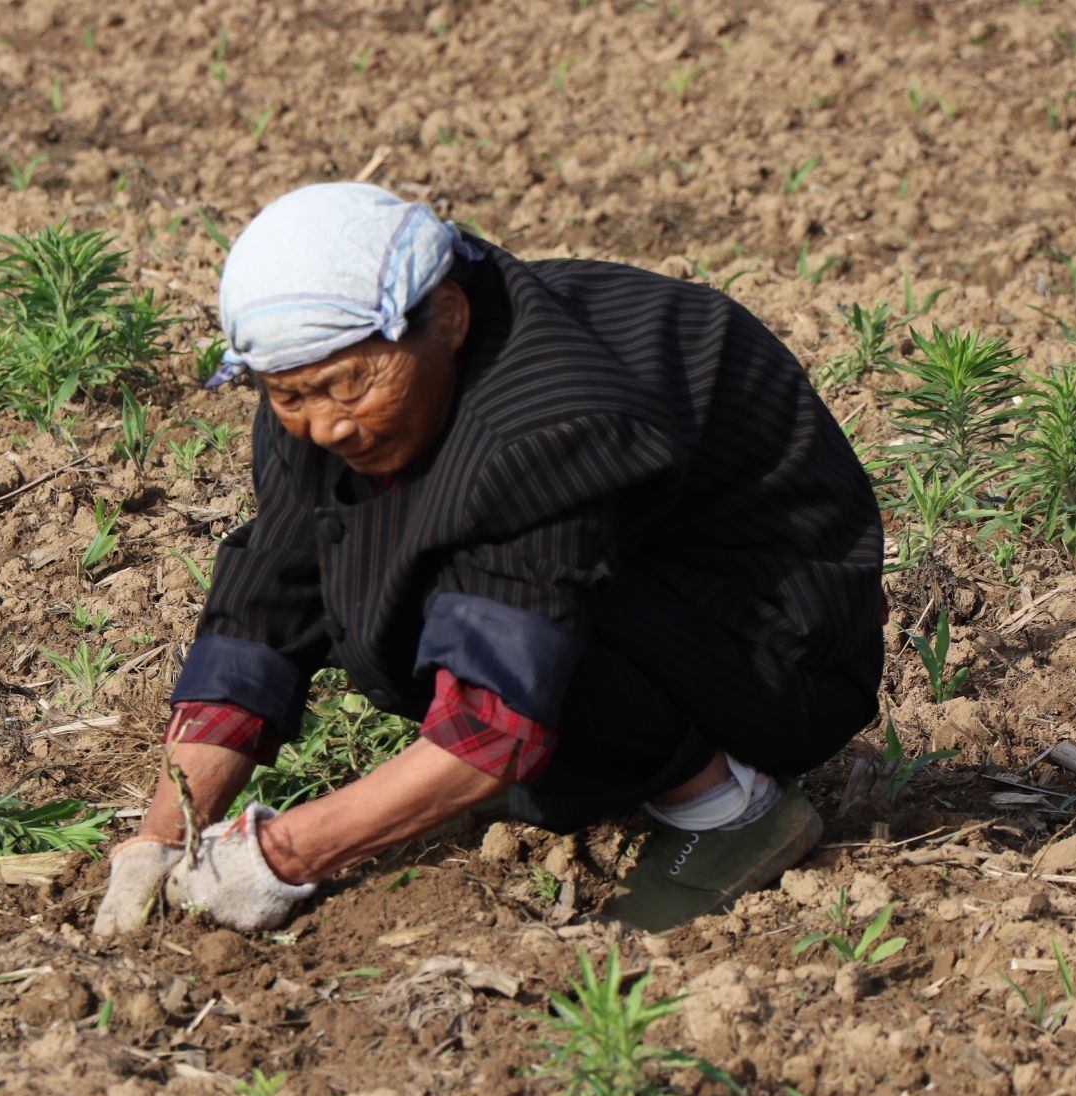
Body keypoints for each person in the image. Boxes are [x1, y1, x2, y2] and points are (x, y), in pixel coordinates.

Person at [93, 183, 883, 938]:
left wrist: (282, 855)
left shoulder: (547, 424)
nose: (325, 425)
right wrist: (163, 838)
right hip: (654, 588)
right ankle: (608, 768)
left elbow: (497, 721)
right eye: (288, 395)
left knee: (429, 580)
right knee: (374, 567)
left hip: (774, 653)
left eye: (346, 386)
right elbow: (267, 605)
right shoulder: (316, 401)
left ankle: (725, 808)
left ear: (449, 315)